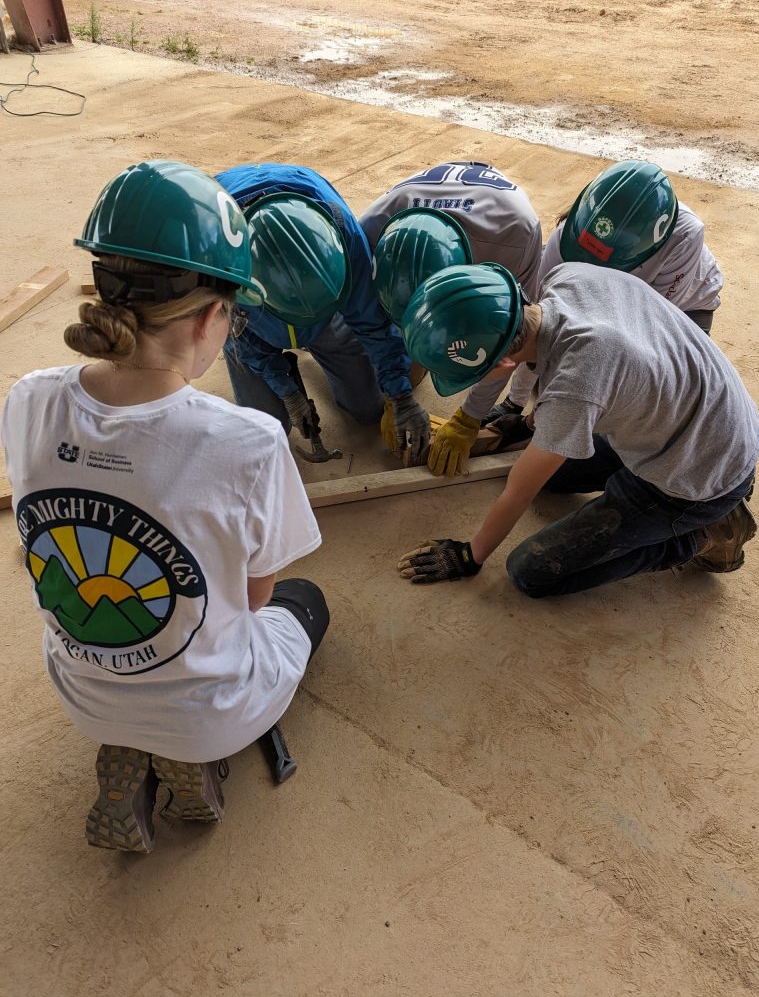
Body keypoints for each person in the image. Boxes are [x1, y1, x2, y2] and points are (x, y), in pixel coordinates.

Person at [1, 160, 330, 854]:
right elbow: (251, 596)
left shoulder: (27, 398)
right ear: (214, 315)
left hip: (84, 695)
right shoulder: (247, 440)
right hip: (211, 707)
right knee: (302, 600)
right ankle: (197, 751)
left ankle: (134, 743)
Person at [395, 261, 759, 595]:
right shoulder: (568, 277)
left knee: (532, 572)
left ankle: (701, 535)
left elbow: (519, 491)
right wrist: (523, 425)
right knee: (555, 474)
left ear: (504, 360)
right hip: (702, 418)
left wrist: (470, 556)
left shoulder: (577, 383)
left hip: (699, 474)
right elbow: (582, 379)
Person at [215, 163, 430, 462]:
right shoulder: (219, 263)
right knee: (266, 425)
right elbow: (241, 339)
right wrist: (286, 389)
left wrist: (401, 395)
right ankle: (287, 362)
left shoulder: (344, 239)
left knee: (368, 409)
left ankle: (320, 333)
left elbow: (373, 326)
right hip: (254, 318)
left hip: (320, 308)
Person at [491, 159, 725, 428]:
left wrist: (538, 421)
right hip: (608, 296)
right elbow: (537, 327)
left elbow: (640, 337)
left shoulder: (684, 235)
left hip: (685, 306)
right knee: (557, 362)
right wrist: (515, 402)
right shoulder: (564, 238)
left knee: (652, 400)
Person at [360, 160, 543, 475]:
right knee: (405, 369)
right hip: (422, 213)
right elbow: (369, 319)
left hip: (497, 226)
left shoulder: (516, 237)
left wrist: (468, 419)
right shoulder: (374, 227)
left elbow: (508, 345)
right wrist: (395, 393)